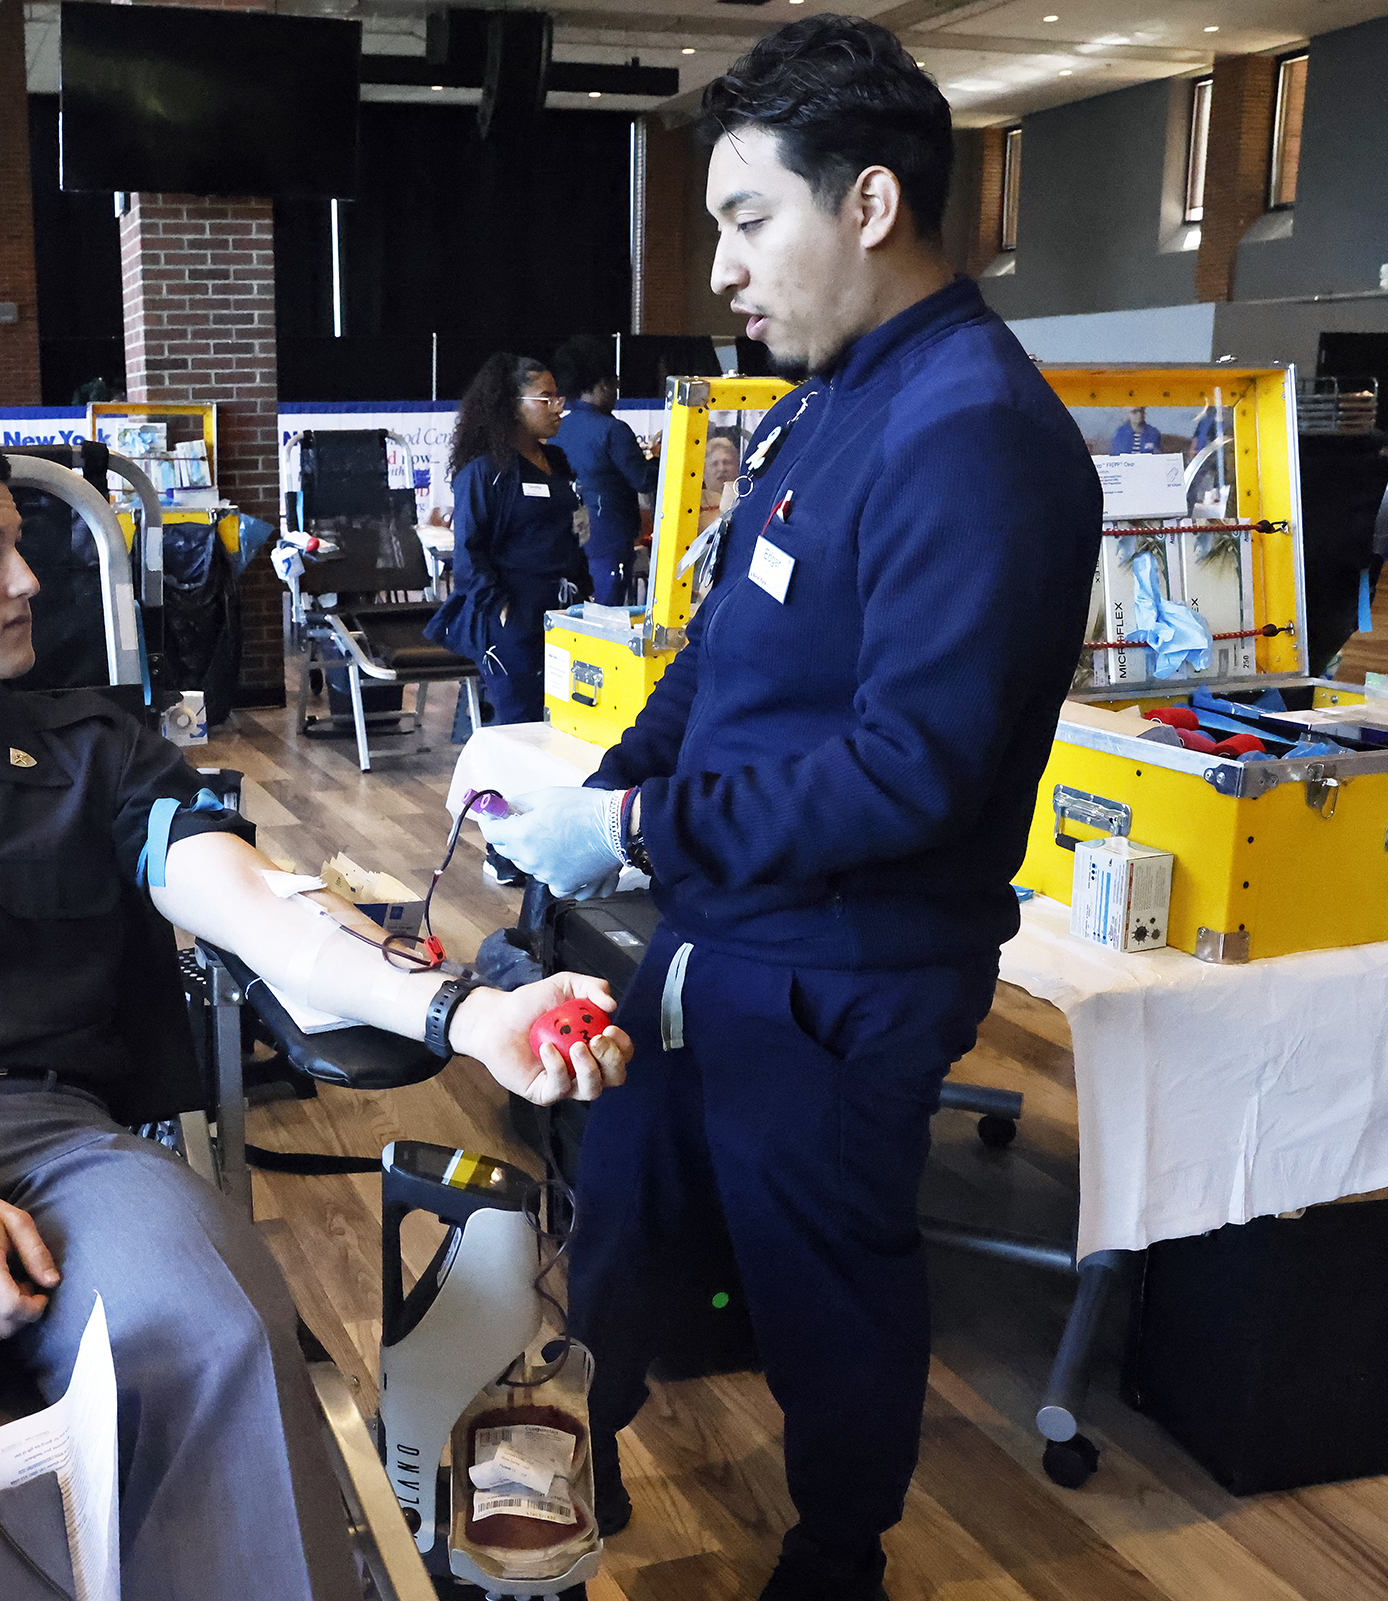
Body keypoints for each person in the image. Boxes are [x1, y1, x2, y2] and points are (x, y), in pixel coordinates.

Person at [0, 429, 632, 1601]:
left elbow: (250, 905)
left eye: (22, 545)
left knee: (216, 1329)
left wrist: (466, 1013)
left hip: (69, 1143)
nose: (28, 579)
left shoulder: (101, 753)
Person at [480, 18, 1100, 1601]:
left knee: (824, 1280)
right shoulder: (832, 398)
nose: (726, 271)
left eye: (750, 221)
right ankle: (583, 1459)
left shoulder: (976, 436)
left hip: (845, 963)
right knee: (617, 1210)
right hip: (712, 924)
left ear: (872, 206)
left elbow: (914, 768)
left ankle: (838, 1553)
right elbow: (724, 651)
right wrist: (614, 781)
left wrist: (633, 836)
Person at [424, 353, 591, 730]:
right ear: (512, 407)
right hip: (513, 618)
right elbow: (467, 552)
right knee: (520, 726)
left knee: (567, 722)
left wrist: (586, 590)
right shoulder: (484, 474)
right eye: (545, 398)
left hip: (565, 614)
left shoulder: (558, 462)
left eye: (558, 397)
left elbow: (573, 531)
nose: (558, 408)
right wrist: (498, 607)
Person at [551, 336, 656, 605]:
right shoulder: (612, 430)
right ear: (603, 385)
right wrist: (657, 457)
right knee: (604, 622)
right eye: (615, 385)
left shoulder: (557, 430)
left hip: (566, 538)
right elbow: (642, 480)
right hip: (609, 538)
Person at [698, 432, 743, 531]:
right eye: (714, 464)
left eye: (727, 462)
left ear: (737, 466)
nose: (721, 469)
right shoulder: (694, 504)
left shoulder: (746, 497)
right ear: (704, 470)